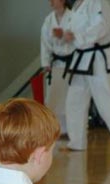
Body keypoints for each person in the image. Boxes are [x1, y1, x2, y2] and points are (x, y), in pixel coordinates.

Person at [63, 0, 110, 154]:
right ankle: (76, 142)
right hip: (81, 59)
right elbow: (73, 28)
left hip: (97, 58)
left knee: (105, 100)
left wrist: (77, 36)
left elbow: (101, 27)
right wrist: (69, 34)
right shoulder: (76, 5)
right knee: (74, 100)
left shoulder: (99, 2)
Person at [40, 0, 74, 136]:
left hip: (71, 64)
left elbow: (77, 39)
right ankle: (56, 129)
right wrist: (46, 63)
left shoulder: (73, 17)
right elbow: (44, 43)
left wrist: (63, 36)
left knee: (70, 98)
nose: (51, 3)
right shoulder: (48, 20)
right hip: (56, 64)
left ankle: (70, 130)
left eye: (54, 0)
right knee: (53, 97)